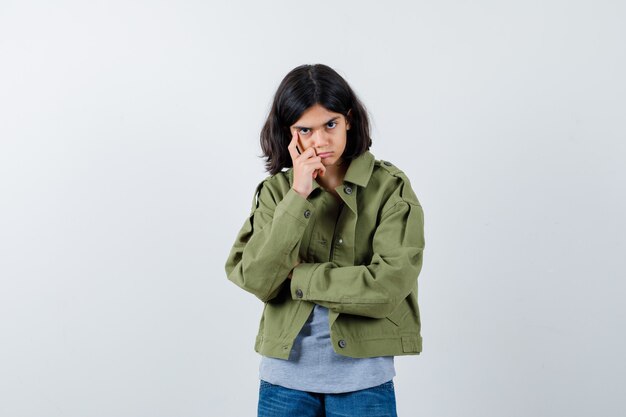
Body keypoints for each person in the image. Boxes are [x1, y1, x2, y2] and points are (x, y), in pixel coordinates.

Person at [224, 63, 425, 417]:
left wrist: (299, 277)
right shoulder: (277, 193)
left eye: (330, 124)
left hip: (364, 382)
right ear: (289, 133)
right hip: (284, 382)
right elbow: (256, 278)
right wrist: (298, 193)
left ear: (349, 119)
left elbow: (388, 287)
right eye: (305, 129)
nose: (320, 141)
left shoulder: (389, 188)